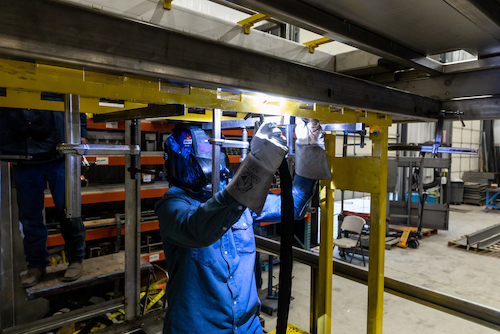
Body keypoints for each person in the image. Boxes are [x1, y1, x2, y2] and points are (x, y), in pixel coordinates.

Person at [154, 119, 331, 334]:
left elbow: (293, 205)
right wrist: (259, 165)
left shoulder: (236, 198)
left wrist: (309, 149)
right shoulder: (173, 205)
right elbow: (199, 230)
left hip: (248, 327)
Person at [0, 107, 87, 287]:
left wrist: (82, 133)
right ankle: (36, 265)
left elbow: (77, 99)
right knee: (29, 217)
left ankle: (76, 259)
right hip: (22, 151)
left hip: (58, 150)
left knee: (69, 211)